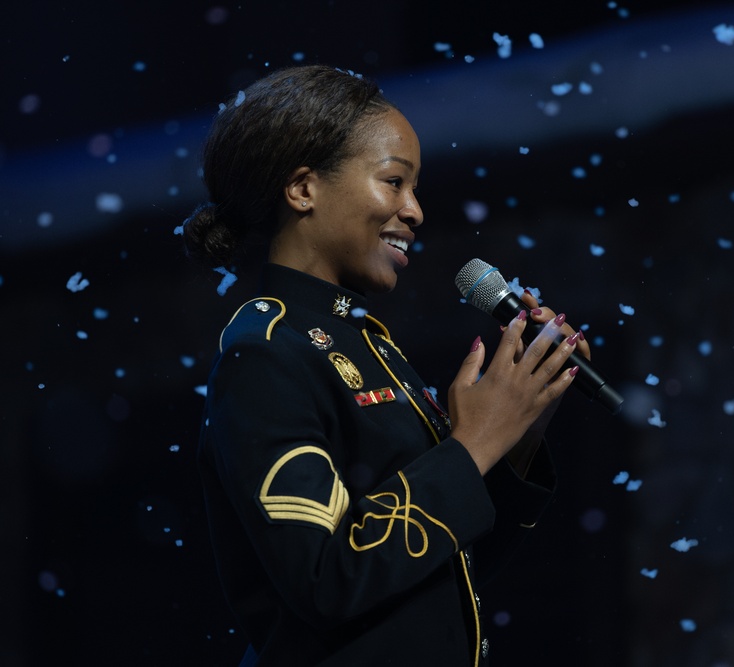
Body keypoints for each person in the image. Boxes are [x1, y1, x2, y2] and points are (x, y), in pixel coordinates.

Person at [182, 65, 590, 666]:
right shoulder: (264, 353)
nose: (415, 210)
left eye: (414, 188)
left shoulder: (368, 345)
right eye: (394, 182)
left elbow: (449, 565)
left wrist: (522, 423)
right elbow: (327, 578)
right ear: (302, 189)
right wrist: (473, 442)